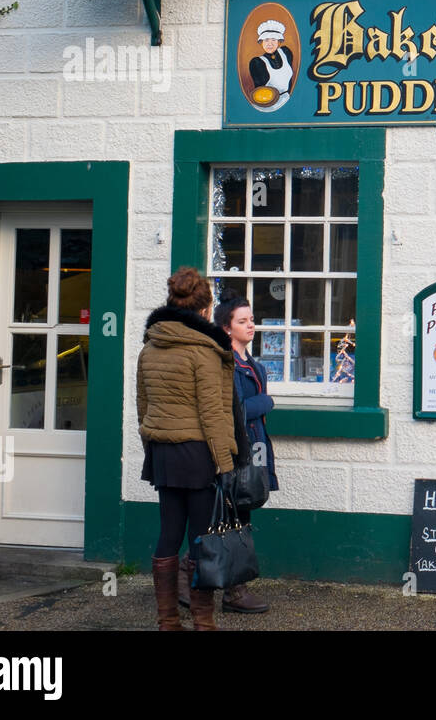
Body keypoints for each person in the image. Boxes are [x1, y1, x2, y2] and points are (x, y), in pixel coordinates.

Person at [138, 267, 237, 631]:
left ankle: (167, 622)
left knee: (168, 533)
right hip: (198, 453)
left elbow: (142, 404)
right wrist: (225, 464)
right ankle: (203, 621)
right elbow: (213, 414)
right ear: (206, 310)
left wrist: (152, 440)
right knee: (201, 539)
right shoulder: (204, 352)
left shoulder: (150, 346)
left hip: (162, 452)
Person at [213, 295, 279, 614]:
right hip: (234, 452)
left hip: (254, 448)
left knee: (243, 513)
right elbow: (232, 410)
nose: (251, 324)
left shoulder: (255, 365)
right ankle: (232, 591)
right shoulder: (225, 364)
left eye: (251, 319)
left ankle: (228, 587)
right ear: (227, 328)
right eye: (242, 321)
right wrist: (265, 403)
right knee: (231, 517)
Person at [247, 19, 294, 110]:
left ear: (279, 41)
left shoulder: (286, 52)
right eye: (266, 40)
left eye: (273, 40)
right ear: (261, 42)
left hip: (287, 100)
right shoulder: (257, 62)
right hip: (268, 106)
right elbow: (259, 91)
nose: (270, 44)